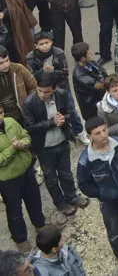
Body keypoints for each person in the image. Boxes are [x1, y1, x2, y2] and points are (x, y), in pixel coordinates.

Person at [76, 116, 118, 263]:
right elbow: (84, 184)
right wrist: (101, 193)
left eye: (105, 130)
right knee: (114, 230)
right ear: (89, 136)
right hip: (108, 201)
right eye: (97, 133)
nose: (103, 135)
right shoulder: (86, 160)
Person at [23, 73, 86, 216]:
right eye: (40, 90)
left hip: (62, 142)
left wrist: (64, 118)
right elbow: (29, 127)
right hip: (44, 148)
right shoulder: (29, 103)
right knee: (51, 178)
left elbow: (71, 112)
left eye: (47, 91)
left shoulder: (61, 95)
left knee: (66, 173)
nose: (43, 94)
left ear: (54, 90)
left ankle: (72, 196)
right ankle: (60, 203)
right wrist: (52, 122)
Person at [0, 103, 46, 252]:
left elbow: (26, 135)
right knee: (14, 211)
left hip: (26, 170)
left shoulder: (11, 122)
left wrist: (23, 143)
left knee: (34, 199)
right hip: (7, 179)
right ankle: (20, 239)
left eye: (0, 112)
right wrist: (13, 149)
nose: (0, 117)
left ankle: (40, 225)